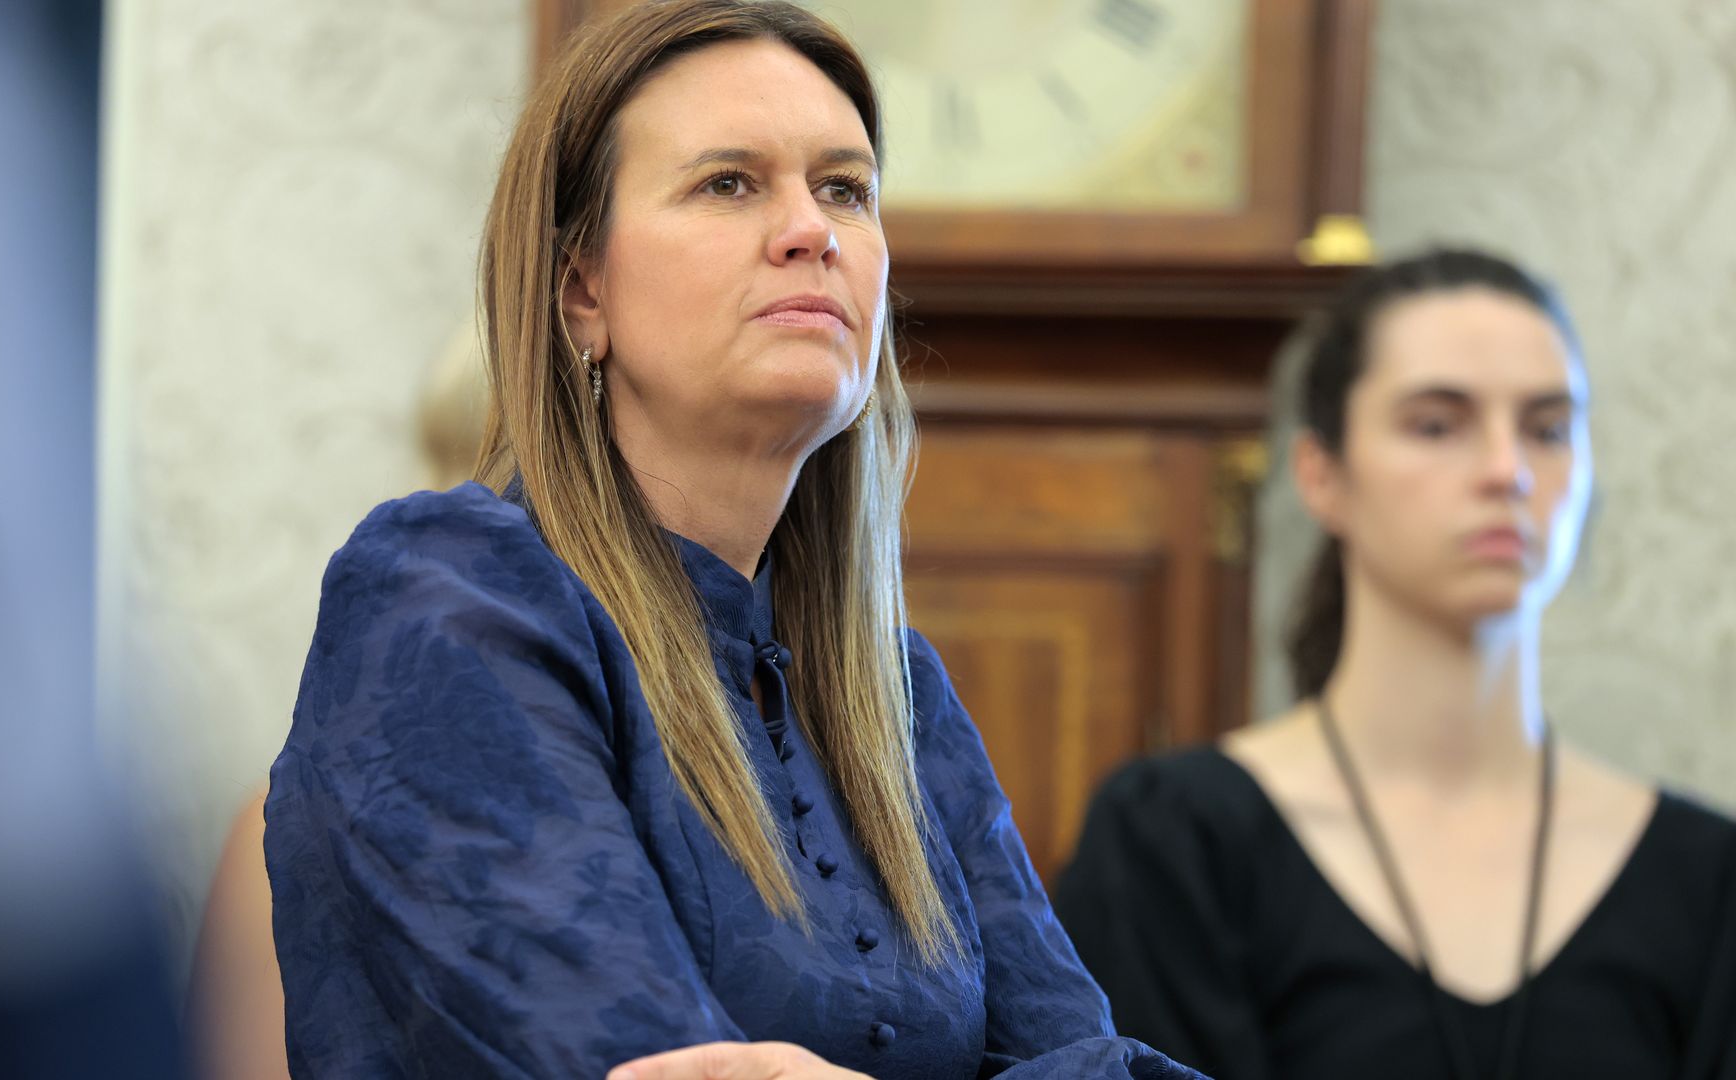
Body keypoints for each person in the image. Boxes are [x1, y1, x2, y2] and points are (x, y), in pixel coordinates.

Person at [262, 3, 1200, 1078]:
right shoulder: (449, 596)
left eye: (844, 189)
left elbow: (1091, 1057)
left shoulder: (898, 694)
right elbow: (641, 1060)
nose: (812, 230)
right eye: (728, 184)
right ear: (582, 290)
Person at [1053, 249, 1736, 1080]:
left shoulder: (1706, 876)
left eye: (1549, 429)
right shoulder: (1174, 839)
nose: (1508, 470)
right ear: (1322, 474)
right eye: (1437, 425)